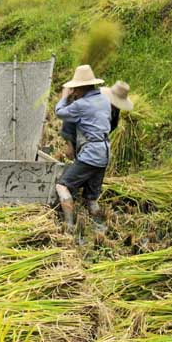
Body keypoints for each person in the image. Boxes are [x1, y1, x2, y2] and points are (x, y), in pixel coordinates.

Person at [54, 65, 111, 231]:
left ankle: (69, 226)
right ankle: (101, 228)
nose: (74, 93)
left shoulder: (82, 104)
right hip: (105, 153)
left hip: (90, 154)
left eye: (75, 89)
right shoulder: (104, 100)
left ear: (79, 88)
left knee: (62, 186)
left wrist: (64, 96)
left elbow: (59, 112)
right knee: (91, 198)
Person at [60, 80, 134, 160]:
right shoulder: (90, 104)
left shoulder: (115, 111)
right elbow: (69, 121)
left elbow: (112, 126)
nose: (114, 107)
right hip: (78, 137)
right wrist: (69, 145)